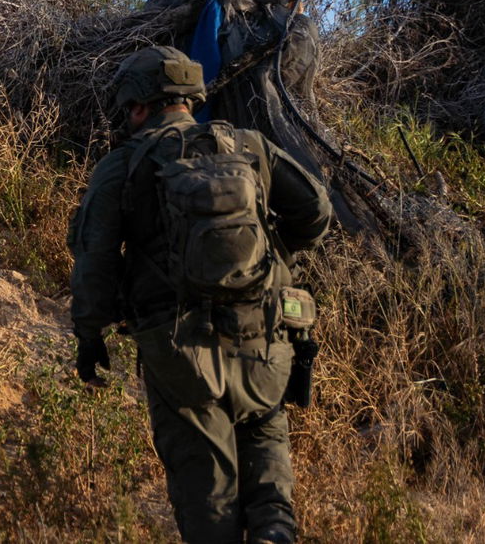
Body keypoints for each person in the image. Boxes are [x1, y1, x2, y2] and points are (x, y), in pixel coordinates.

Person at [68, 46, 332, 544]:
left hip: (179, 352)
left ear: (141, 105)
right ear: (190, 97)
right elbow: (316, 210)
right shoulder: (249, 147)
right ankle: (276, 532)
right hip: (262, 341)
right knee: (268, 466)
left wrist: (89, 333)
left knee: (208, 498)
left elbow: (95, 257)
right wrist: (278, 255)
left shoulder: (123, 164)